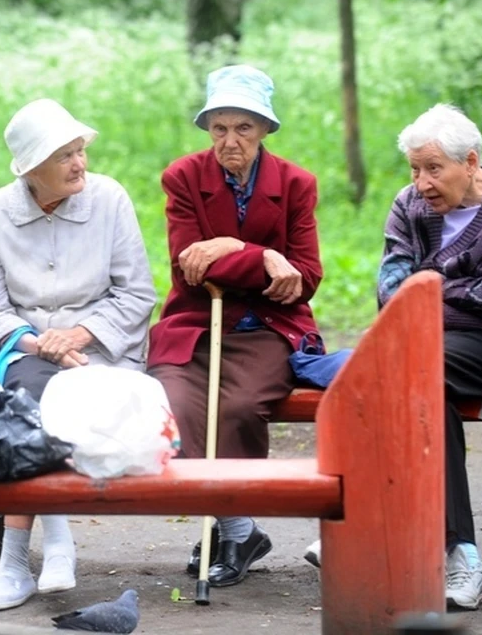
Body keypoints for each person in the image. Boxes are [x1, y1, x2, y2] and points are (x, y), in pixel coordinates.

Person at [0, 98, 156, 611]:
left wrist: (77, 335)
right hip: (28, 350)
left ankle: (18, 561)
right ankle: (53, 543)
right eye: (65, 156)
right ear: (31, 169)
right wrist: (38, 343)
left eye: (80, 151)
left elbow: (137, 294)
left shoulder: (109, 199)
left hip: (101, 349)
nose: (80, 164)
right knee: (33, 392)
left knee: (52, 397)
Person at [147, 64, 324, 588]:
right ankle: (238, 527)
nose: (230, 141)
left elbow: (306, 276)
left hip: (267, 328)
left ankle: (229, 526)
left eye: (243, 128)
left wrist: (232, 249)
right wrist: (265, 258)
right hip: (196, 326)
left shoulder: (296, 184)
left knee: (240, 408)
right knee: (174, 405)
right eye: (219, 127)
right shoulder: (183, 177)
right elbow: (189, 266)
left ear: (265, 129)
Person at [377, 103, 482, 610]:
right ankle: (463, 556)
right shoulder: (407, 205)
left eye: (433, 169)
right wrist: (466, 299)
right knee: (421, 382)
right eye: (414, 168)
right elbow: (390, 294)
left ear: (470, 162)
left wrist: (428, 285)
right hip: (434, 348)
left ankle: (373, 520)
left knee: (408, 368)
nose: (422, 183)